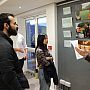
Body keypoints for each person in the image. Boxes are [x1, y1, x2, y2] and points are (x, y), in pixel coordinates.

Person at [0, 13, 23, 90]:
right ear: (6, 25)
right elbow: (8, 75)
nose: (17, 26)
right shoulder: (4, 45)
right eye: (14, 23)